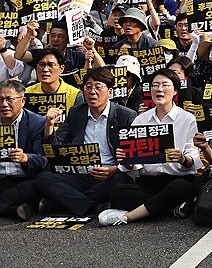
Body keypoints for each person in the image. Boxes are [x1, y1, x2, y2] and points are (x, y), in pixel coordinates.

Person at [99, 69, 202, 226]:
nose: (159, 89)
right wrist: (126, 159)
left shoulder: (187, 119)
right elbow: (133, 165)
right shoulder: (141, 120)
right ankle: (170, 206)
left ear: (175, 91)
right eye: (155, 85)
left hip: (177, 178)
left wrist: (182, 158)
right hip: (148, 182)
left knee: (181, 188)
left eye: (165, 85)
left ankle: (128, 216)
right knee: (116, 191)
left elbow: (193, 158)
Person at [35, 67, 136, 216]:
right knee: (43, 179)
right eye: (88, 87)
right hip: (81, 174)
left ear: (110, 92)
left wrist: (114, 169)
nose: (92, 92)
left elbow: (133, 157)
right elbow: (54, 147)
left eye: (98, 87)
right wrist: (49, 125)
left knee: (119, 186)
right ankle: (94, 207)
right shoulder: (76, 112)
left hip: (111, 174)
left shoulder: (126, 115)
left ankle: (63, 203)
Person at [0, 79, 46, 220]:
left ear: (23, 101)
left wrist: (26, 158)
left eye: (9, 99)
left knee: (40, 183)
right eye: (0, 99)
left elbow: (44, 160)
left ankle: (10, 207)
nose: (4, 104)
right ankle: (13, 210)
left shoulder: (37, 122)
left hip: (24, 179)